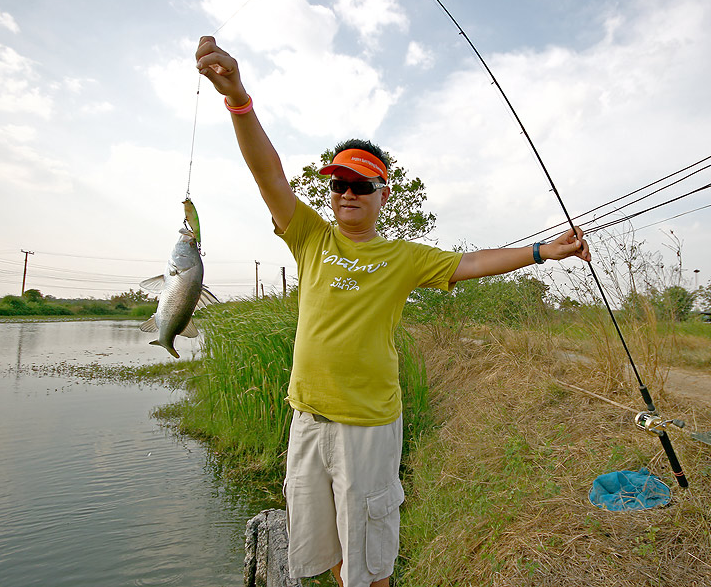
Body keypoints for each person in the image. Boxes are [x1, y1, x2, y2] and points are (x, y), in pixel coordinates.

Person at [195, 35, 591, 587]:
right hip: (307, 421)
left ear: (384, 196)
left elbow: (470, 262)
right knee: (330, 549)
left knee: (371, 560)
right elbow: (269, 175)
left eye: (361, 185)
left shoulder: (403, 257)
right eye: (338, 184)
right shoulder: (309, 236)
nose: (346, 193)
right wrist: (237, 97)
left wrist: (542, 251)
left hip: (368, 428)